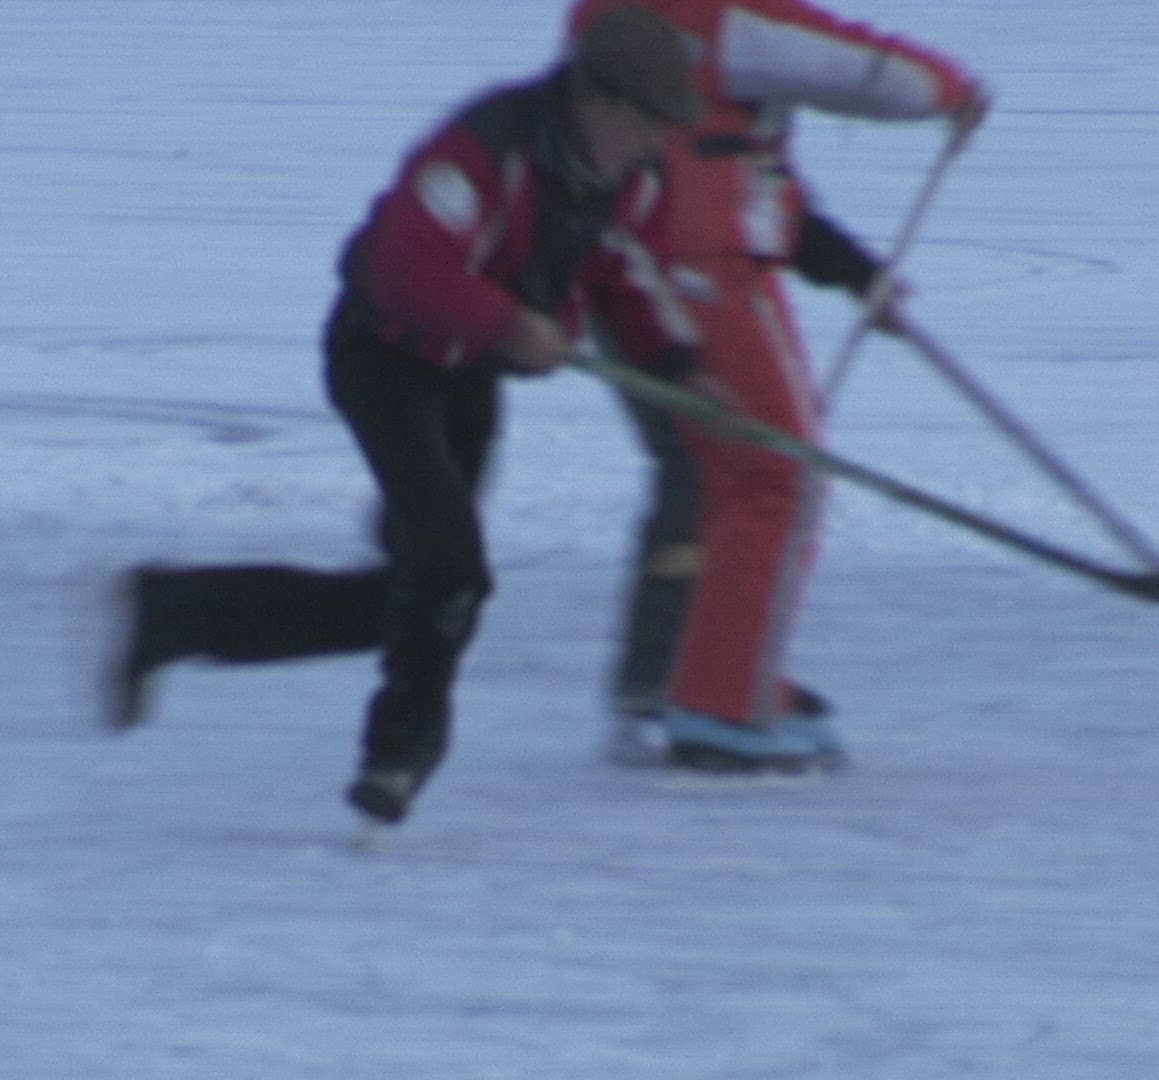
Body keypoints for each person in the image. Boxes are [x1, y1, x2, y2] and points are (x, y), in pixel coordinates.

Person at [103, 4, 714, 827]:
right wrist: (511, 324)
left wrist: (682, 368)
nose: (657, 143)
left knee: (409, 595)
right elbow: (403, 265)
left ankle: (174, 613)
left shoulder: (635, 180)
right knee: (451, 573)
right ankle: (398, 757)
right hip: (383, 361)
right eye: (649, 122)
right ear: (597, 101)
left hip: (467, 376)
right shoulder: (486, 147)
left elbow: (631, 278)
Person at [567, 0, 989, 770]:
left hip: (626, 271)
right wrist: (952, 89)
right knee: (770, 479)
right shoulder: (720, 17)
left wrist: (852, 271)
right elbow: (873, 74)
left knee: (712, 475)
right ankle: (719, 702)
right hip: (697, 276)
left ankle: (692, 675)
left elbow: (729, 161)